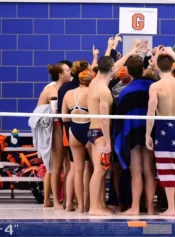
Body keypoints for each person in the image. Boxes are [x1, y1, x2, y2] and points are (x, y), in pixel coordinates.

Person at [87, 42, 139, 216]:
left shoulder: (95, 81)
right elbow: (104, 119)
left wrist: (131, 51)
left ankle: (99, 205)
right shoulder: (104, 91)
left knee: (99, 171)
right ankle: (94, 208)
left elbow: (113, 65)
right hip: (100, 134)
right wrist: (108, 143)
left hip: (92, 132)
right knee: (99, 171)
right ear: (110, 70)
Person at [145, 47, 175, 216]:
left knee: (166, 167)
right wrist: (172, 52)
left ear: (157, 66)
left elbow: (150, 113)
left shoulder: (155, 87)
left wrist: (147, 134)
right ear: (172, 66)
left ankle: (171, 208)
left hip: (163, 126)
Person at [114, 55, 156, 216]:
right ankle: (151, 207)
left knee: (136, 171)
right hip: (149, 131)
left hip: (132, 133)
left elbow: (120, 119)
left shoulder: (126, 92)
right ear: (143, 70)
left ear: (129, 72)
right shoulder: (153, 86)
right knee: (149, 170)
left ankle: (136, 207)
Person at [37, 62, 72, 209]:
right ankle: (53, 201)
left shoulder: (65, 87)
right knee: (55, 166)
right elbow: (46, 111)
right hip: (55, 127)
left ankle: (59, 200)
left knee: (64, 166)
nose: (71, 73)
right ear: (60, 74)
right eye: (68, 70)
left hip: (63, 126)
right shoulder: (51, 89)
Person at [61, 67, 96, 212]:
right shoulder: (92, 93)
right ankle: (91, 204)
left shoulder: (69, 93)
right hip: (88, 130)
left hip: (73, 132)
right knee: (95, 170)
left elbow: (64, 117)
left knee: (77, 170)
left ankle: (80, 206)